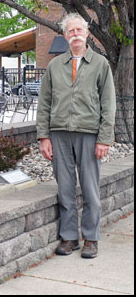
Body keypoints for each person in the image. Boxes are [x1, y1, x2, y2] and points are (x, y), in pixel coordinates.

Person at [36, 13, 116, 258]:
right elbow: (45, 103)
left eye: (79, 30)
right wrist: (44, 136)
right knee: (66, 188)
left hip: (89, 134)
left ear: (87, 33)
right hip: (59, 134)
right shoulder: (54, 65)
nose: (75, 35)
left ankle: (91, 238)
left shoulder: (101, 64)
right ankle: (69, 237)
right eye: (70, 31)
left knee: (90, 188)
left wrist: (104, 138)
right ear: (64, 36)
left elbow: (108, 104)